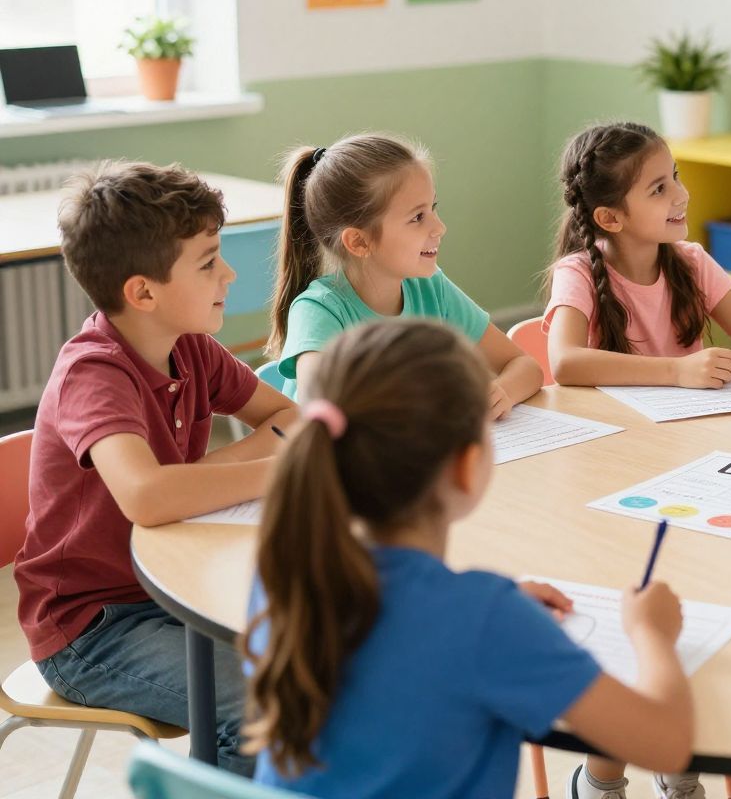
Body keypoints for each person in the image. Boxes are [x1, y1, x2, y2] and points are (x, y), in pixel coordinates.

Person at [244, 320, 694, 795]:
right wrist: (652, 633)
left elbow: (405, 644)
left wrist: (492, 612)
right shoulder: (485, 617)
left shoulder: (284, 569)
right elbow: (666, 744)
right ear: (466, 465)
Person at [13, 162, 297, 775]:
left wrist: (199, 479)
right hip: (91, 628)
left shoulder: (188, 344)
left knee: (325, 659)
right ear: (143, 292)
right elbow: (147, 496)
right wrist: (272, 471)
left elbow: (284, 419)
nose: (230, 273)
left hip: (176, 587)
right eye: (208, 262)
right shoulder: (94, 373)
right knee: (262, 706)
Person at [268, 132, 543, 411]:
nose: (439, 227)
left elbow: (525, 366)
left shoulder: (432, 288)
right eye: (417, 217)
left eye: (432, 208)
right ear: (359, 242)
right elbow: (323, 415)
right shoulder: (318, 311)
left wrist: (501, 392)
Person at [546, 121, 731, 391]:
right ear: (610, 218)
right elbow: (565, 363)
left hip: (682, 422)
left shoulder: (693, 262)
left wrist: (720, 369)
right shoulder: (577, 272)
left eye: (675, 176)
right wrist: (677, 371)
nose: (682, 194)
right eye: (659, 189)